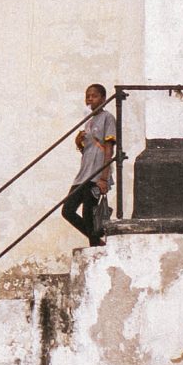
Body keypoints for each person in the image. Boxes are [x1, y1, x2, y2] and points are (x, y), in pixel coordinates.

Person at [62, 85, 118, 247]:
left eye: (94, 96)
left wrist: (103, 178)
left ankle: (95, 246)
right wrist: (78, 142)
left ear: (103, 99)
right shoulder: (88, 120)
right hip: (83, 174)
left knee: (88, 214)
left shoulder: (108, 118)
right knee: (67, 210)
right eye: (87, 96)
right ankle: (97, 242)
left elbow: (108, 149)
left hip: (97, 174)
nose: (90, 99)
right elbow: (87, 151)